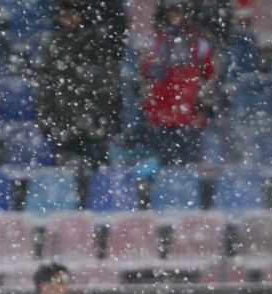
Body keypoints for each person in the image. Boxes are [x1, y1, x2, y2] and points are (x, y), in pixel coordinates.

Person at [36, 0, 121, 168]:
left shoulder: (97, 44)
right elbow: (44, 87)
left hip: (93, 124)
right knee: (67, 175)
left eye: (73, 14)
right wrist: (47, 120)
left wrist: (103, 117)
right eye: (65, 14)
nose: (69, 19)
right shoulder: (52, 46)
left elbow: (108, 84)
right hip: (64, 124)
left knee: (97, 173)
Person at [138, 0, 218, 165]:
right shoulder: (156, 40)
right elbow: (145, 72)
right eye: (172, 11)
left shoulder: (200, 41)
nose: (175, 15)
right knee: (165, 164)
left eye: (179, 11)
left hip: (189, 112)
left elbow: (210, 74)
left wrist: (202, 102)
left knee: (189, 164)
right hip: (163, 112)